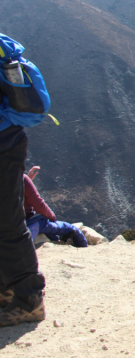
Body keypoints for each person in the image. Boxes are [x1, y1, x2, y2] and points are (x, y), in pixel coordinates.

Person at [0, 36, 45, 326]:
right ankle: (8, 291)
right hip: (8, 140)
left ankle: (29, 300)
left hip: (3, 145)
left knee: (6, 221)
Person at [24, 173, 88, 248]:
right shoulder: (21, 179)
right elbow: (39, 205)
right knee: (71, 229)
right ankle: (83, 249)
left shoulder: (14, 180)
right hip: (25, 223)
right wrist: (51, 217)